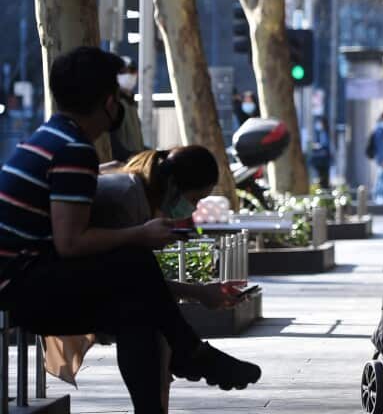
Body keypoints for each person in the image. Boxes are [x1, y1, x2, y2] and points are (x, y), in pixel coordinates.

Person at [0, 47, 260, 414]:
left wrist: (196, 292)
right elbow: (71, 243)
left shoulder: (48, 137)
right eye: (122, 96)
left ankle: (183, 364)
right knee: (134, 261)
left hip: (27, 281)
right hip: (20, 291)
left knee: (135, 310)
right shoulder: (74, 151)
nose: (124, 104)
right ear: (108, 101)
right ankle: (189, 353)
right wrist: (140, 234)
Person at [51, 146, 250, 407]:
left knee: (144, 311)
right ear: (173, 185)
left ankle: (188, 352)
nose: (193, 209)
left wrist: (200, 292)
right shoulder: (128, 197)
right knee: (142, 312)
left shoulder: (137, 195)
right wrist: (198, 292)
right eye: (194, 199)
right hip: (55, 284)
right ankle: (189, 351)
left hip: (84, 280)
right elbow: (131, 276)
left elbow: (139, 280)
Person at [110, 57, 145, 163]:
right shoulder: (113, 105)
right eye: (123, 72)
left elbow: (137, 143)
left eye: (132, 71)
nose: (128, 75)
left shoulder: (131, 104)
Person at [308, 118, 333, 189]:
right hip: (324, 160)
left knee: (323, 179)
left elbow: (324, 145)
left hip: (323, 161)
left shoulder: (324, 133)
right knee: (323, 178)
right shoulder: (324, 132)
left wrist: (316, 146)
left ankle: (325, 192)